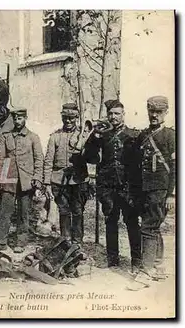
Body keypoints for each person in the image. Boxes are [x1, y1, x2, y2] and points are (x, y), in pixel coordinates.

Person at [84, 100, 141, 271]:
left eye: (117, 113)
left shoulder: (133, 135)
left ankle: (136, 261)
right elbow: (90, 158)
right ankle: (112, 259)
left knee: (131, 222)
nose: (113, 117)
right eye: (111, 114)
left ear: (123, 114)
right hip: (108, 186)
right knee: (110, 221)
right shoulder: (103, 135)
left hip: (127, 186)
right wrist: (94, 137)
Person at [128, 96, 175, 291]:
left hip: (161, 189)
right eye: (151, 111)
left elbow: (176, 167)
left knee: (148, 227)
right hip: (144, 189)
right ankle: (157, 265)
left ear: (166, 113)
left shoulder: (171, 136)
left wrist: (172, 194)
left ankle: (146, 272)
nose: (154, 115)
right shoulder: (143, 135)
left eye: (158, 112)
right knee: (152, 226)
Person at [0, 106, 44, 253]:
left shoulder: (33, 137)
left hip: (26, 181)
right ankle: (0, 241)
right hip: (8, 179)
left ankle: (21, 242)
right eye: (15, 118)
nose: (17, 121)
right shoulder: (6, 137)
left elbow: (39, 159)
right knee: (5, 211)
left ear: (25, 119)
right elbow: (0, 158)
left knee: (23, 213)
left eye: (20, 118)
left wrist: (37, 178)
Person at [44, 103, 90, 244]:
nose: (68, 121)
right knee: (63, 211)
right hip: (59, 180)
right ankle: (65, 239)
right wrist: (46, 183)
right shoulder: (55, 137)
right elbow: (48, 161)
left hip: (78, 180)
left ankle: (77, 242)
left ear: (76, 118)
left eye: (71, 118)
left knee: (77, 211)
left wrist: (85, 140)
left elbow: (92, 156)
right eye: (65, 118)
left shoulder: (83, 136)